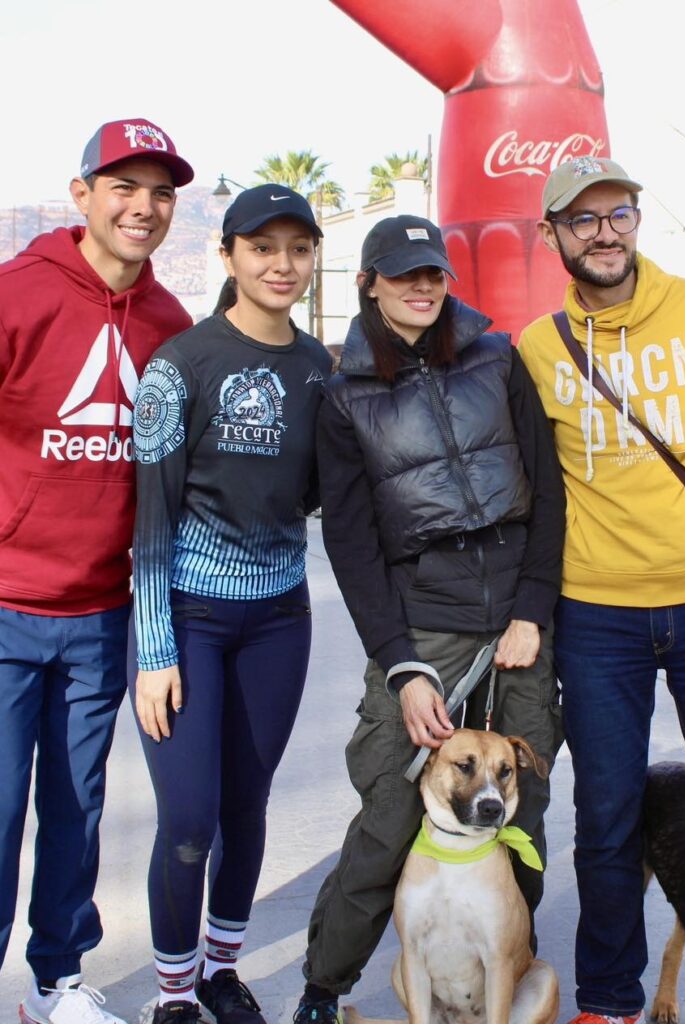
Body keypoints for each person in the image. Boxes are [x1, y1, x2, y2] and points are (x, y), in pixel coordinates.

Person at [517, 156, 685, 1024]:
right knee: (606, 821)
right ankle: (608, 1001)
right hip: (597, 617)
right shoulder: (536, 349)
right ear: (553, 234)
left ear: (637, 220)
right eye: (583, 219)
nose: (604, 232)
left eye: (619, 214)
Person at [293, 214, 566, 1024]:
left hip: (516, 618)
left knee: (522, 815)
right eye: (404, 273)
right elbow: (348, 537)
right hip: (425, 625)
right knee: (388, 811)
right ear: (369, 283)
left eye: (435, 273)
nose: (422, 286)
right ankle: (322, 987)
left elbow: (547, 489)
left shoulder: (496, 356)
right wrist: (402, 663)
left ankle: (499, 976)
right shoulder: (344, 395)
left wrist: (532, 610)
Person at [0, 117, 193, 1024]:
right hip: (5, 603)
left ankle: (56, 981)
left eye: (160, 192)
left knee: (76, 806)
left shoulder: (167, 322)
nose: (143, 208)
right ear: (82, 196)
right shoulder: (17, 294)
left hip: (102, 613)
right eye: (124, 187)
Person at [131, 183, 332, 1024]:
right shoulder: (179, 366)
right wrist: (153, 650)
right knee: (189, 821)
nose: (281, 264)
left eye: (297, 248)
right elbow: (150, 521)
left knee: (248, 808)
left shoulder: (324, 368)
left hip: (280, 619)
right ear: (229, 257)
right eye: (262, 248)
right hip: (191, 618)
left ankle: (221, 971)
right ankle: (174, 993)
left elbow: (326, 496)